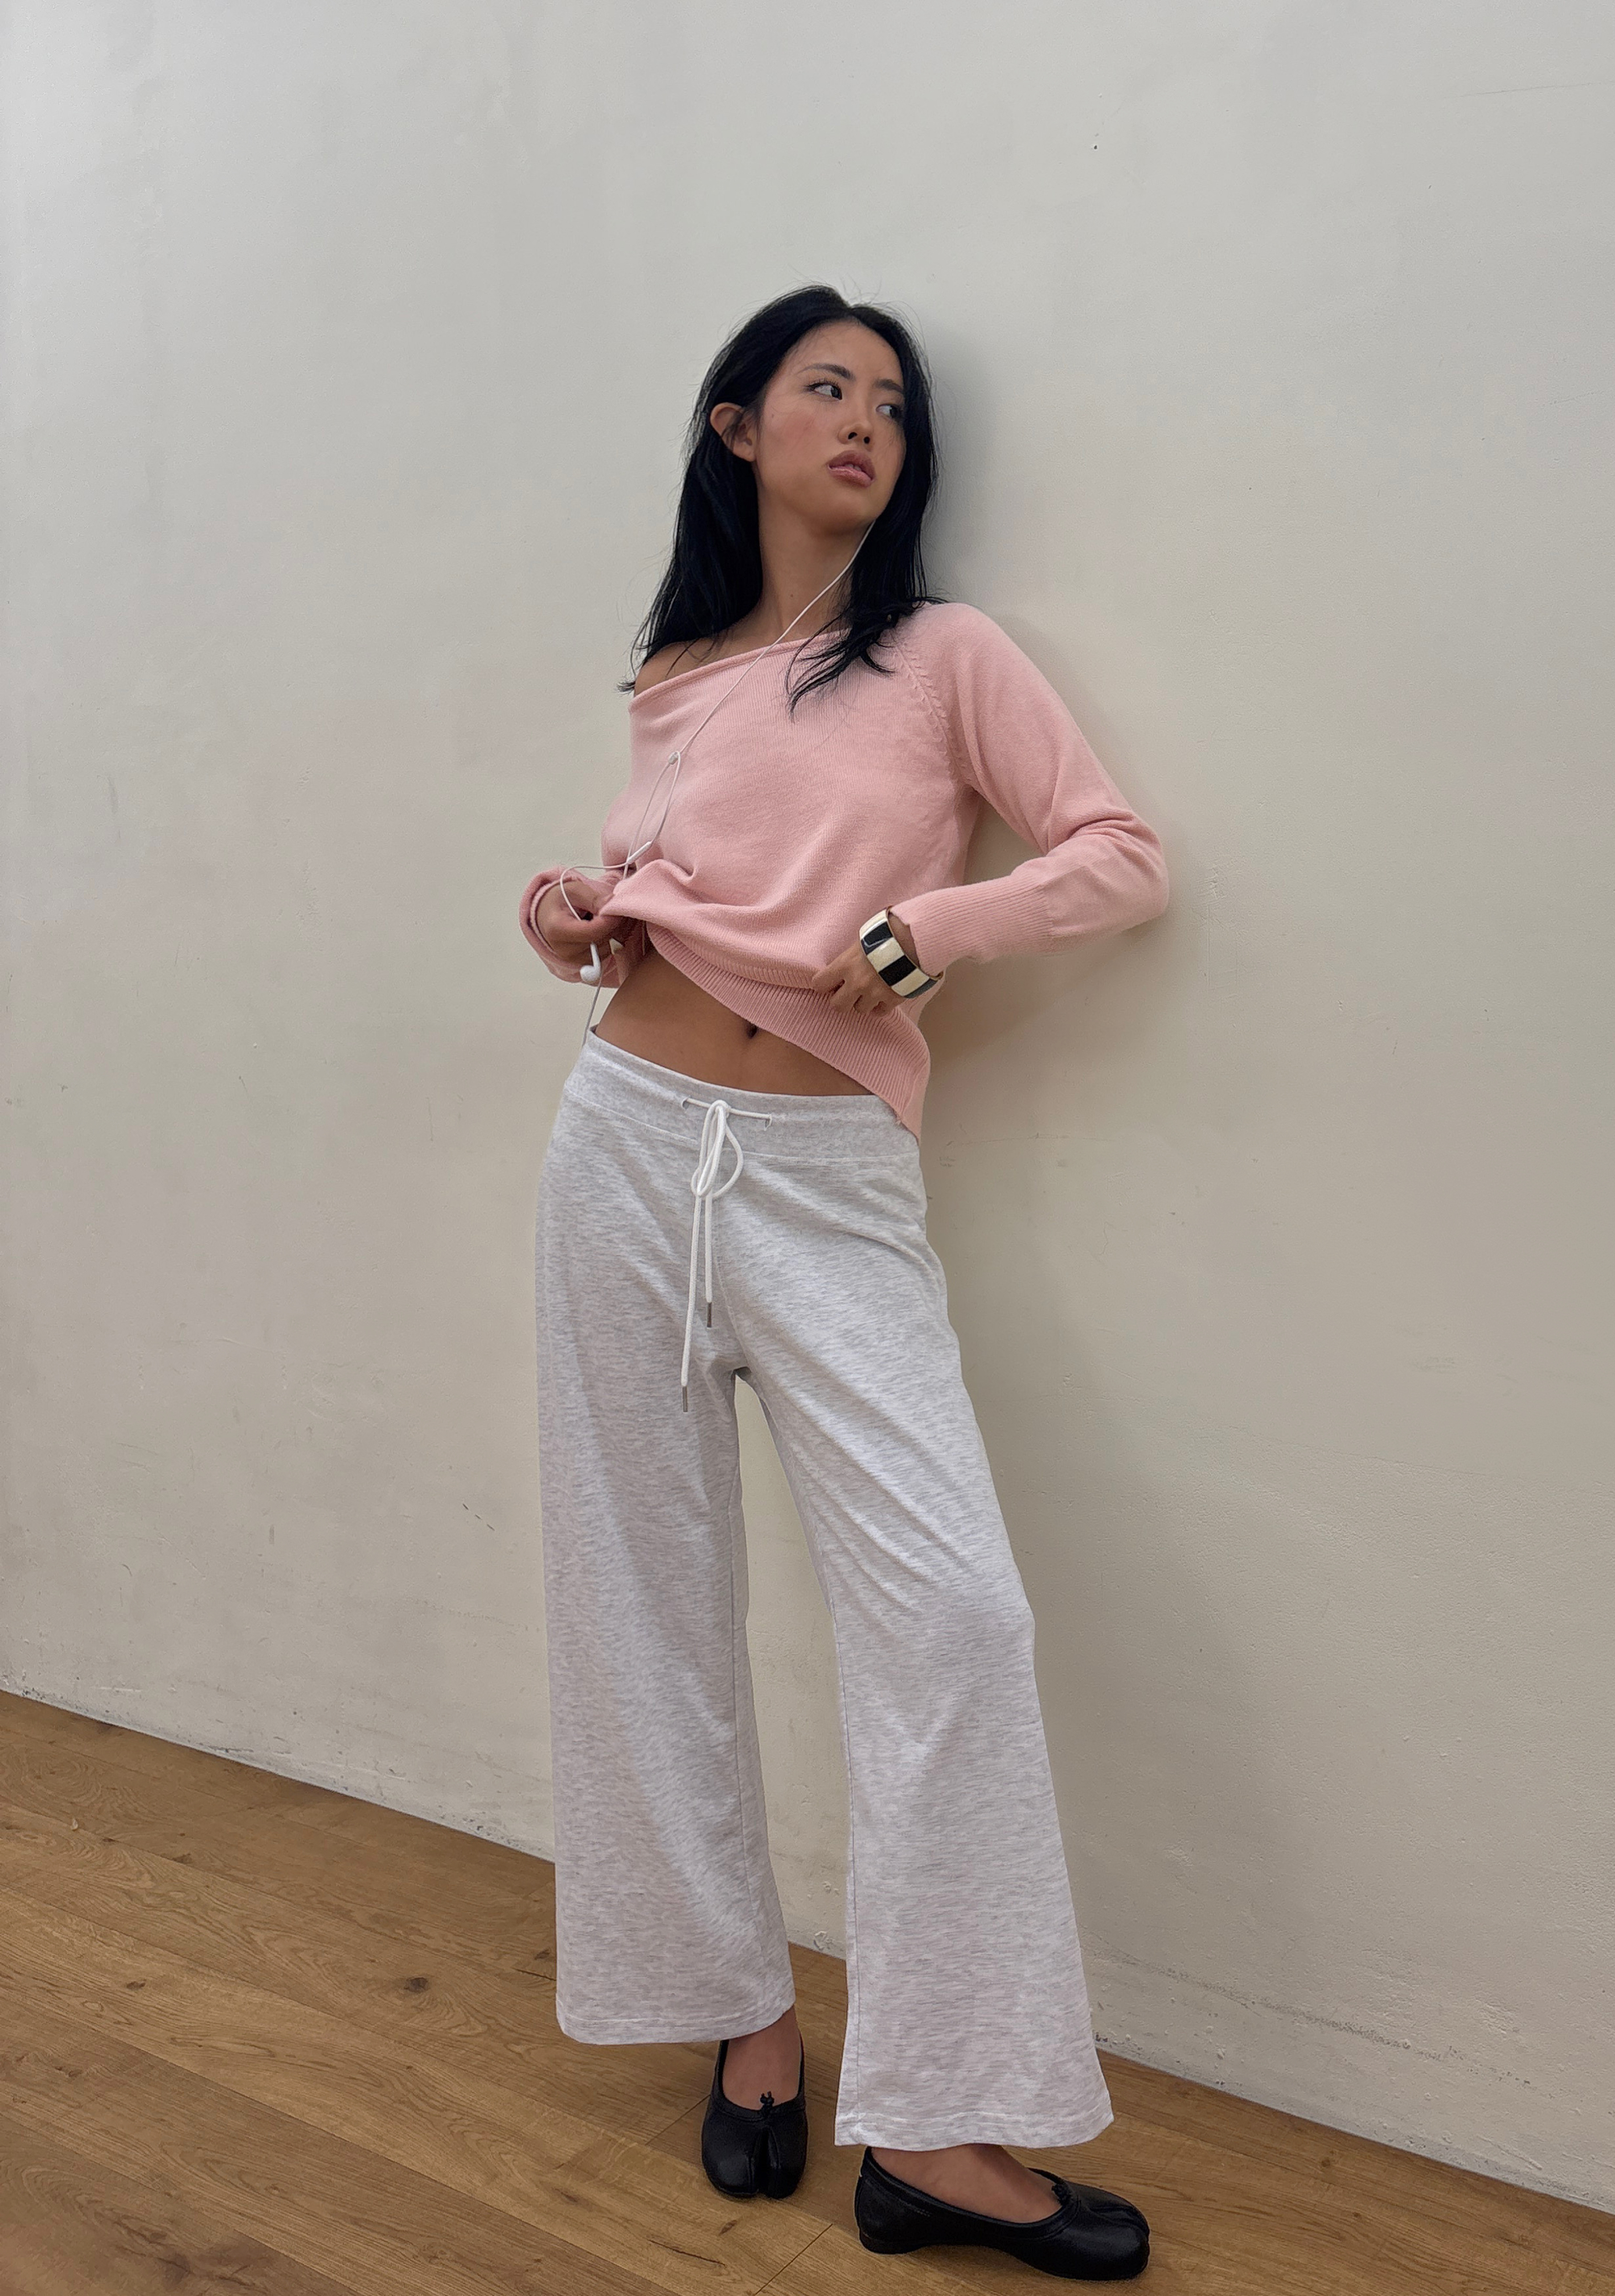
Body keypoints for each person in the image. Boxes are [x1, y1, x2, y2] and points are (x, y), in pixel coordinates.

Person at [520, 284, 1169, 2278]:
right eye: (825, 388)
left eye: (892, 399)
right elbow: (670, 883)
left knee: (956, 1617)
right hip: (622, 1146)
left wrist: (924, 934)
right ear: (739, 426)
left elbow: (1118, 852)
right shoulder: (679, 672)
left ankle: (938, 2127)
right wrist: (577, 909)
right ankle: (742, 2015)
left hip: (825, 1180)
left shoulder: (946, 655)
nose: (865, 420)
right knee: (643, 1599)